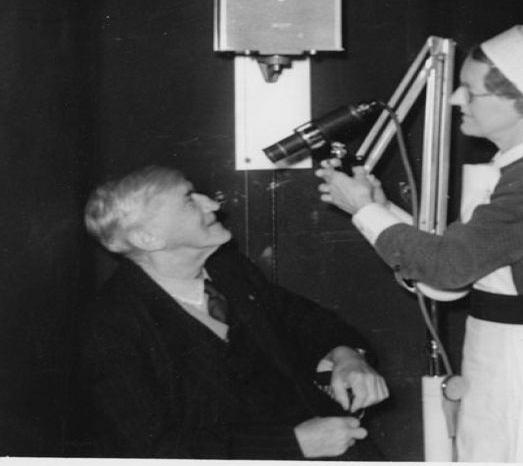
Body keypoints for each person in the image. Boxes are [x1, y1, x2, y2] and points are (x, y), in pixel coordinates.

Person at [316, 25, 523, 464]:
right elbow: (457, 267)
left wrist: (363, 210)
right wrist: (379, 208)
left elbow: (449, 268)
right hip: (505, 351)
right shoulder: (522, 168)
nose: (456, 100)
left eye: (471, 91)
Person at [77, 165, 389, 460]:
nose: (213, 205)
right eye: (189, 200)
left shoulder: (229, 270)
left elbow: (303, 318)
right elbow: (148, 448)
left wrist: (347, 355)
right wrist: (292, 444)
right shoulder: (111, 325)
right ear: (149, 238)